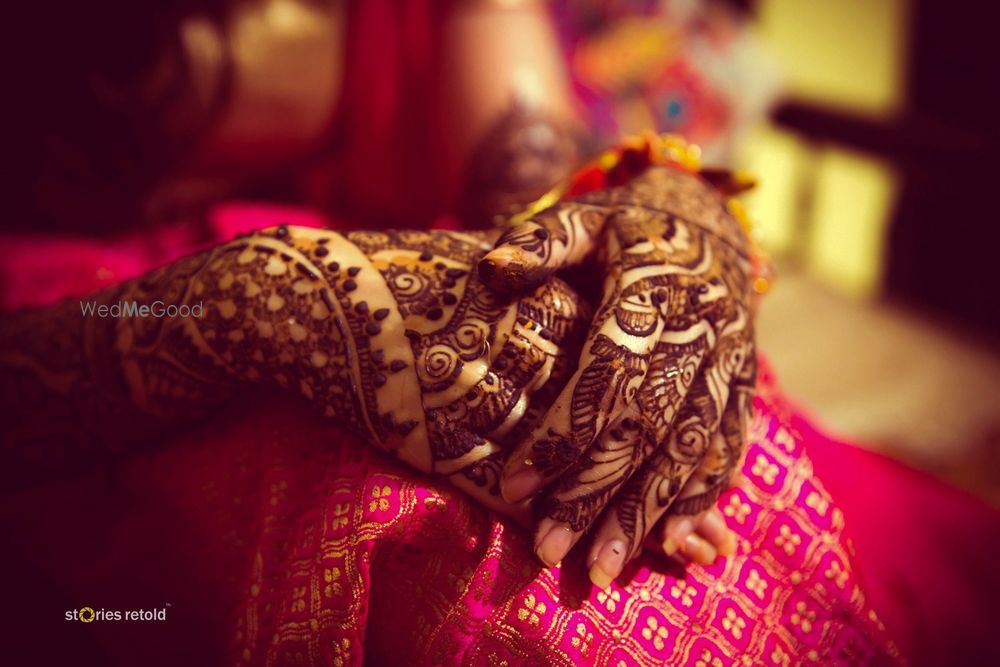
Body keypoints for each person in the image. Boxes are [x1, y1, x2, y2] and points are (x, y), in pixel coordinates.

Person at [5, 1, 997, 665]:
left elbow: (533, 211)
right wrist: (253, 300)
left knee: (637, 421)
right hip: (75, 336)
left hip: (407, 282)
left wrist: (662, 213)